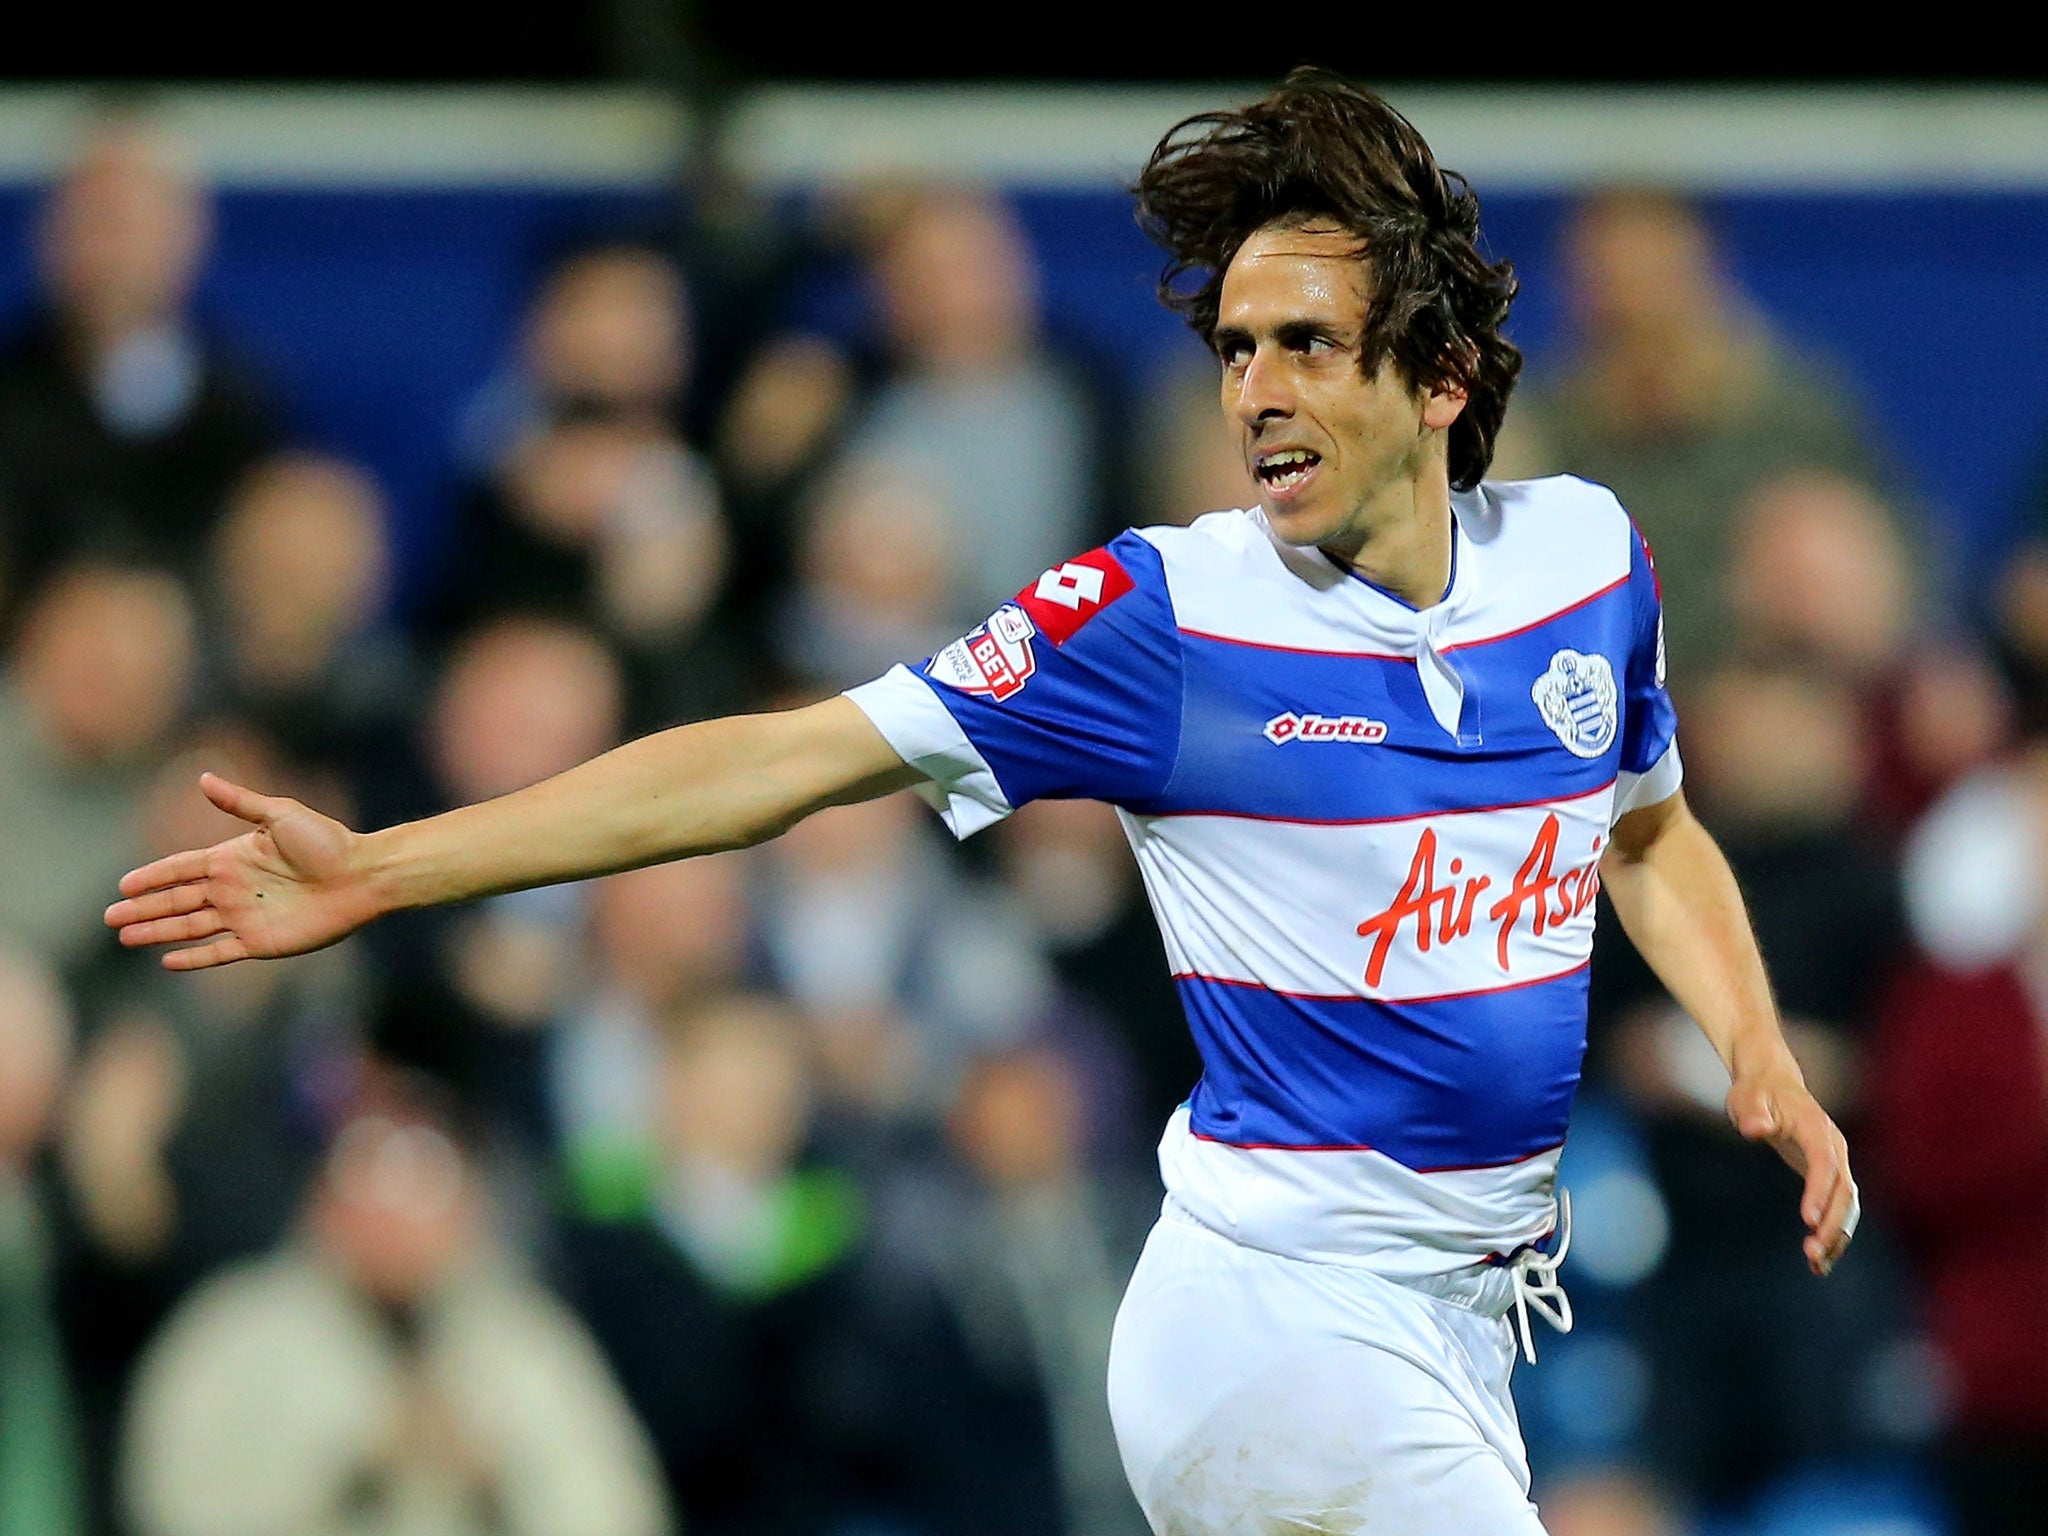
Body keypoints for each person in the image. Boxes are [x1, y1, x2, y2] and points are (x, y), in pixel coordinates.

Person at [103, 69, 1859, 1535]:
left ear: (1442, 379)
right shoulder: (1161, 620)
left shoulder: (1585, 562)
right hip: (1273, 1321)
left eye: (1307, 345)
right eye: (1237, 349)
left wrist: (1754, 1047)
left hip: (1466, 1326)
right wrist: (393, 868)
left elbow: (1646, 829)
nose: (1254, 391)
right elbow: (779, 761)